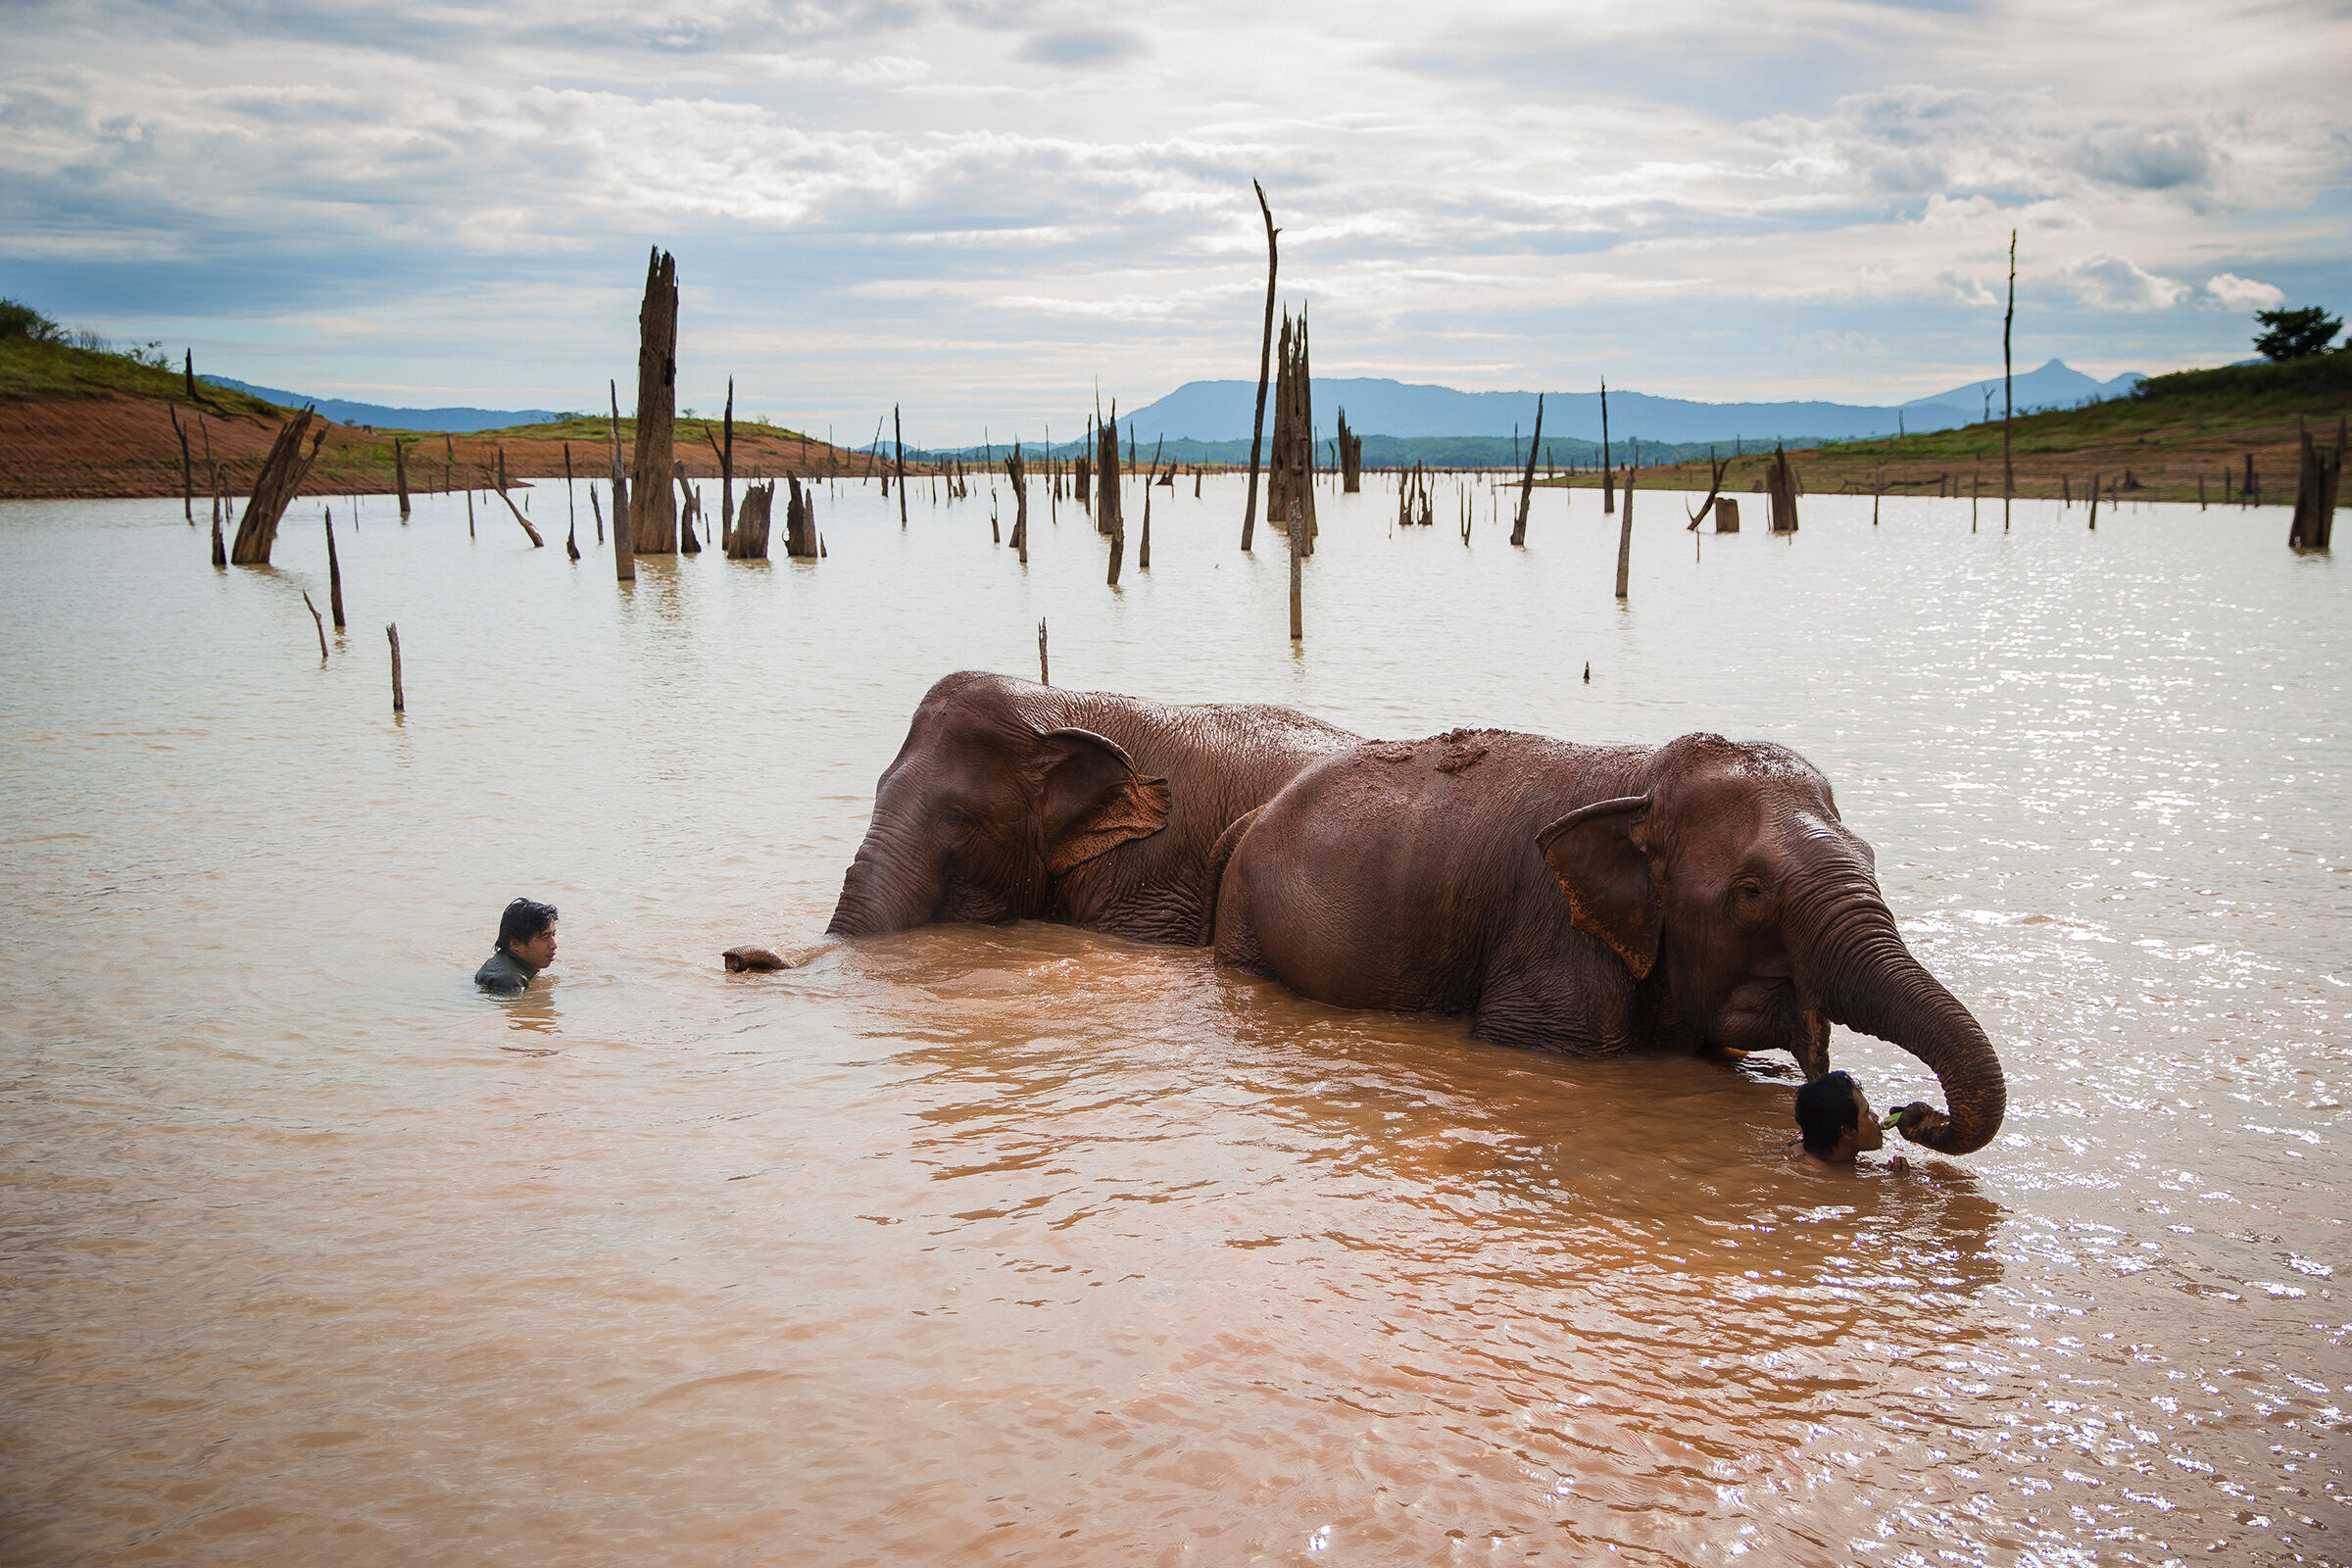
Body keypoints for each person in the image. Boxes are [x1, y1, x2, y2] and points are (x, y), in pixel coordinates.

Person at [1790, 1069, 1890, 1167]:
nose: (1876, 1118)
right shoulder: (1819, 1172)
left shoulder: (1806, 1152)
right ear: (1846, 1132)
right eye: (1867, 1113)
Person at [475, 898, 558, 994]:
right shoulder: (511, 981)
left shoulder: (503, 960)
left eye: (553, 935)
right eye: (544, 937)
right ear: (515, 944)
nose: (554, 945)